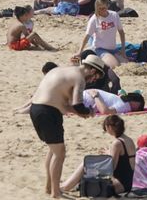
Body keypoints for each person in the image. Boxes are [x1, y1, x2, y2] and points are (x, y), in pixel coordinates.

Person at [28, 56, 106, 199]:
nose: (93, 81)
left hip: (36, 109)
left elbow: (62, 102)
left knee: (53, 150)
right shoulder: (79, 78)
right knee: (60, 153)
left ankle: (49, 186)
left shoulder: (63, 70)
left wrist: (79, 113)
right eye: (96, 77)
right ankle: (55, 193)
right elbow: (77, 105)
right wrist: (88, 112)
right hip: (48, 112)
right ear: (93, 70)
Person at [60, 114, 137, 195]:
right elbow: (125, 160)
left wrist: (96, 165)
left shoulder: (117, 143)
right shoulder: (129, 140)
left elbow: (111, 168)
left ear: (109, 127)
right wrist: (109, 153)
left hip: (119, 184)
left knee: (85, 164)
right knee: (89, 168)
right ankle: (67, 185)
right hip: (128, 183)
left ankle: (65, 187)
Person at [79, 0, 126, 67]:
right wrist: (80, 51)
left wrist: (123, 49)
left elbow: (121, 32)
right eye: (99, 8)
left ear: (107, 6)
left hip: (113, 48)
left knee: (125, 64)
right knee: (115, 65)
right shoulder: (94, 19)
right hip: (100, 49)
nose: (101, 11)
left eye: (103, 8)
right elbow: (87, 36)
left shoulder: (114, 15)